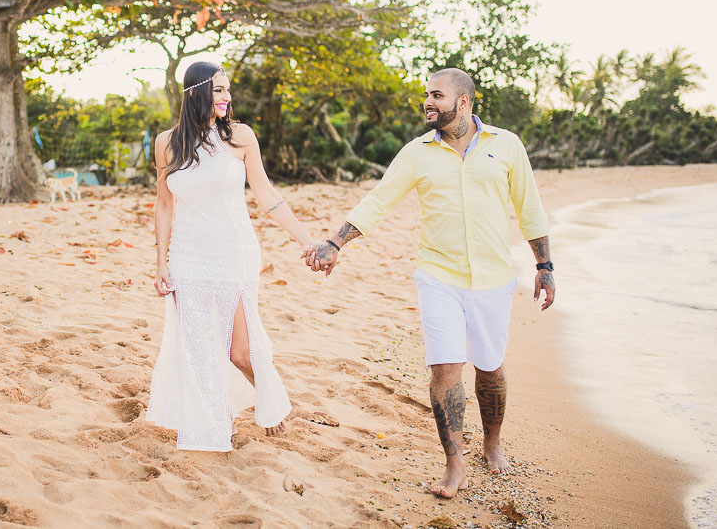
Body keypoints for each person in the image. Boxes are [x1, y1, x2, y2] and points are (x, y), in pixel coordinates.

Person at [304, 68, 556, 497]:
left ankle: (492, 443)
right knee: (444, 367)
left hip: (493, 278)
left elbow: (529, 209)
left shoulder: (506, 145)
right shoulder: (416, 151)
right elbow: (378, 201)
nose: (428, 102)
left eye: (436, 96)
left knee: (490, 368)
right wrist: (335, 242)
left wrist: (545, 266)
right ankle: (454, 464)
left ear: (463, 102)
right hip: (438, 275)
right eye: (426, 95)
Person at [146, 61, 316, 452]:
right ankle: (212, 424)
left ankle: (272, 400)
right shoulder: (166, 143)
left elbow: (267, 195)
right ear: (196, 92)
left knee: (239, 351)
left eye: (228, 91)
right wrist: (161, 263)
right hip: (188, 257)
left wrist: (305, 241)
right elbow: (164, 205)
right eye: (219, 90)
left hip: (233, 252)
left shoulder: (239, 137)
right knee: (201, 348)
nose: (227, 98)